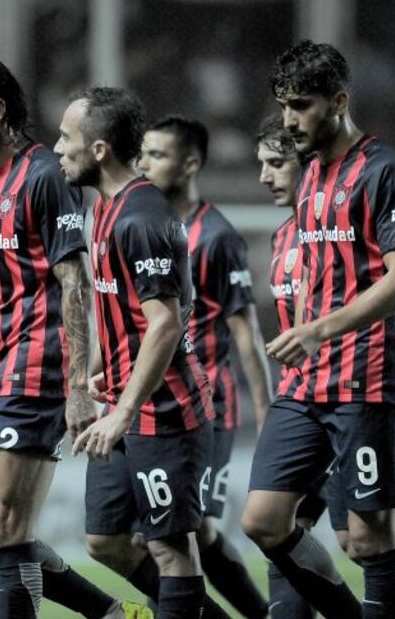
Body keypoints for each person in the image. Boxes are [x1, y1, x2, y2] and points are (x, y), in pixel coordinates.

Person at [0, 53, 149, 619]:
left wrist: (79, 384)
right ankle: (109, 613)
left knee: (8, 528)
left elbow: (74, 281)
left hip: (39, 367)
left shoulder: (45, 175)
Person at [256, 114, 395, 619]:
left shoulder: (349, 212)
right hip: (303, 394)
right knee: (275, 523)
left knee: (358, 540)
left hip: (357, 385)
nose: (266, 176)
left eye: (277, 164)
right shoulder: (283, 239)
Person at [242, 39, 395, 619]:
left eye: (301, 105)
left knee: (370, 539)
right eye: (284, 105)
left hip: (369, 373)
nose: (290, 119)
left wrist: (319, 329)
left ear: (339, 101)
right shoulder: (313, 176)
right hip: (306, 382)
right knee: (264, 520)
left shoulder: (383, 170)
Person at [56, 85, 217, 619]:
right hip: (127, 405)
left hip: (163, 410)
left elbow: (165, 323)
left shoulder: (139, 217)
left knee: (172, 548)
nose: (58, 149)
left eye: (66, 138)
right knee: (103, 539)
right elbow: (118, 303)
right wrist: (103, 366)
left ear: (98, 149)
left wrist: (122, 412)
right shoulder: (105, 209)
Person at [139, 116, 272, 618]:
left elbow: (246, 333)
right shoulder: (142, 227)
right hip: (155, 401)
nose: (145, 164)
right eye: (143, 154)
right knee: (155, 533)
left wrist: (267, 414)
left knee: (192, 530)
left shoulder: (217, 236)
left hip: (209, 404)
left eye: (158, 155)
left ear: (190, 163)